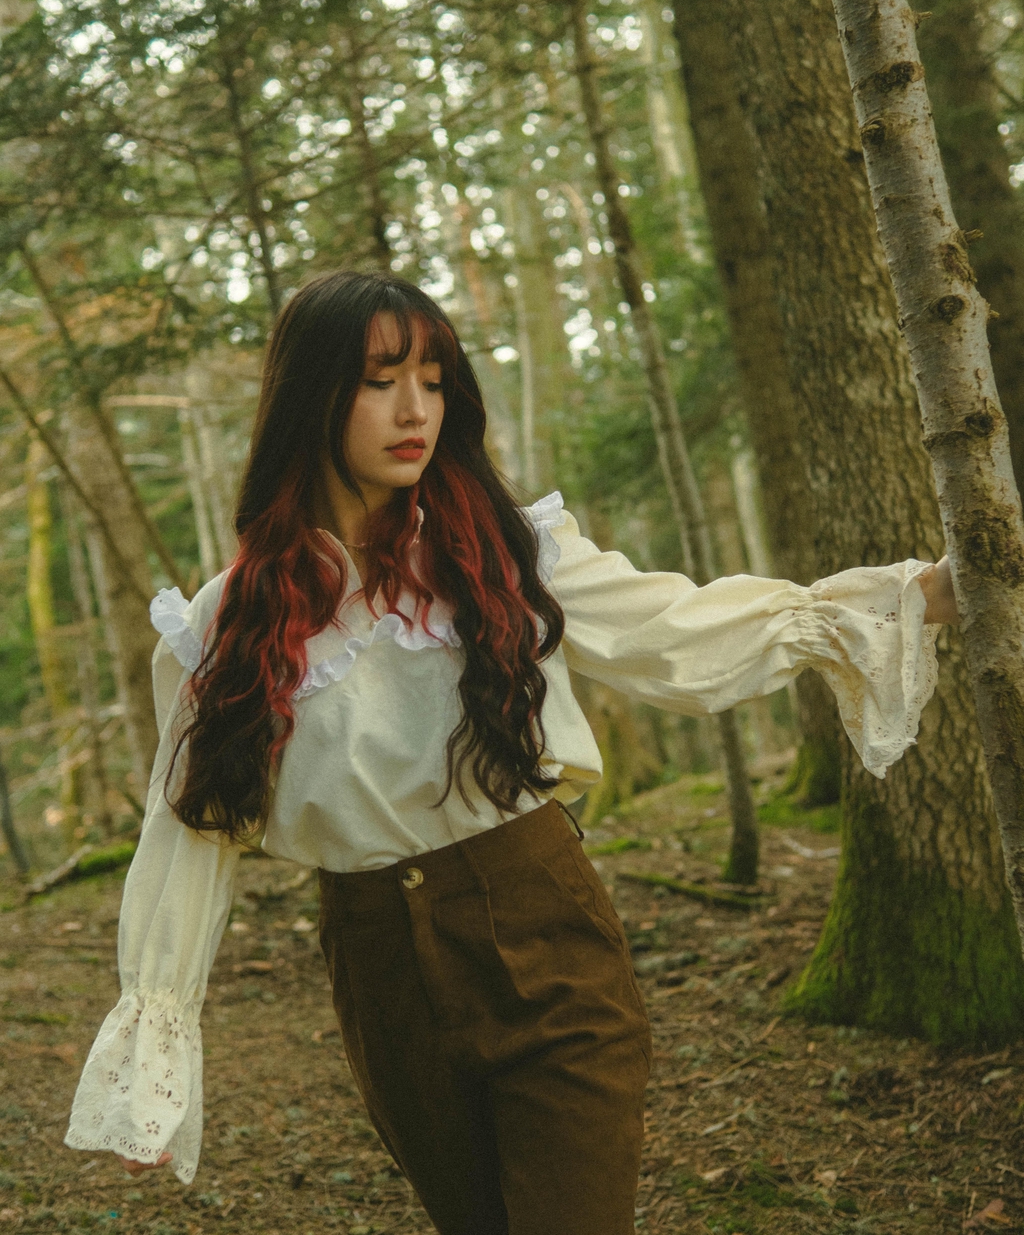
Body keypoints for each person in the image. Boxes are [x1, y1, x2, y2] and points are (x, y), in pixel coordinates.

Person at [64, 270, 957, 1235]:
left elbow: (677, 629)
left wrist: (928, 591)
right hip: (381, 979)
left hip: (544, 940)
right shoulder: (225, 625)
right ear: (311, 394)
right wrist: (157, 1033)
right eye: (381, 380)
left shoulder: (502, 551)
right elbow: (188, 835)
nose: (417, 410)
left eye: (435, 379)